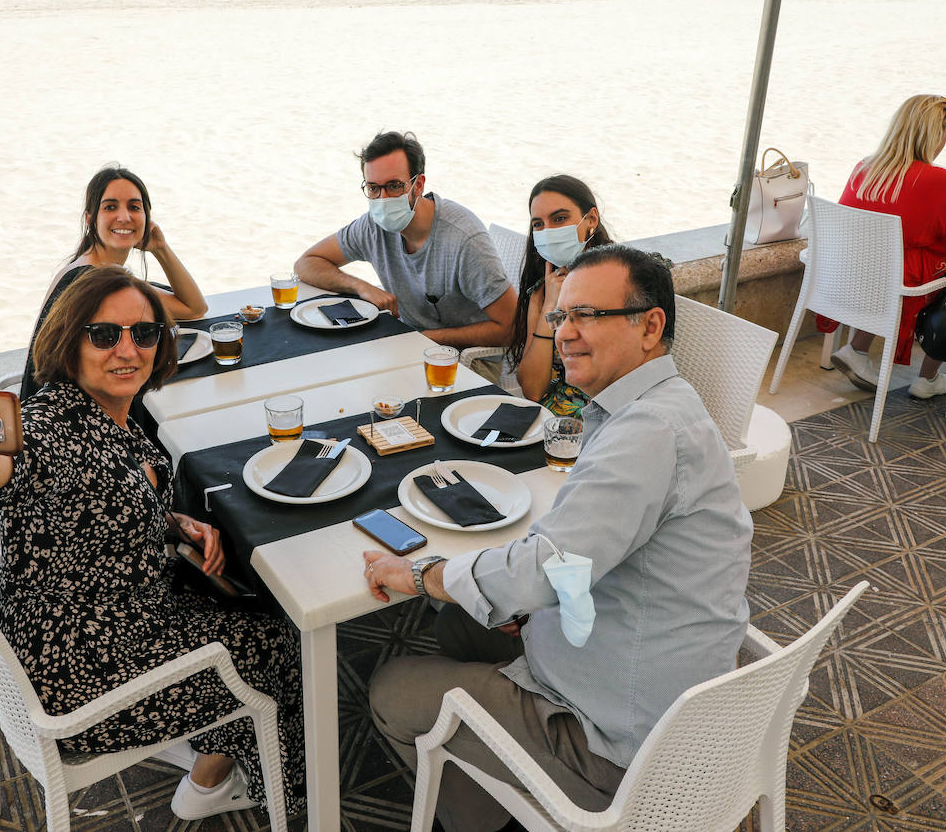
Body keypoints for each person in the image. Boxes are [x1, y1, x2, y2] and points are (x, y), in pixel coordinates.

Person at [0, 266, 302, 822]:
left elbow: (102, 502)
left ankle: (224, 752)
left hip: (83, 630)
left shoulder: (107, 413)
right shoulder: (47, 431)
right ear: (68, 342)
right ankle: (231, 787)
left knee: (244, 604)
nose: (128, 350)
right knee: (277, 640)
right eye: (104, 335)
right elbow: (8, 469)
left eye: (143, 334)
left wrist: (172, 522)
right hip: (83, 678)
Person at [363, 245, 752, 832]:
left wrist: (421, 574)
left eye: (586, 316)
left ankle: (505, 810)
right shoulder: (663, 405)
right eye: (559, 317)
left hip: (623, 745)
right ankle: (494, 792)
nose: (566, 333)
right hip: (655, 674)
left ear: (650, 326)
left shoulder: (648, 432)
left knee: (391, 687)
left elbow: (543, 571)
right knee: (460, 623)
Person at [294, 130, 517, 349]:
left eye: (394, 186)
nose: (383, 199)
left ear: (418, 185)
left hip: (465, 358)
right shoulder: (373, 226)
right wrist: (360, 286)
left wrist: (424, 338)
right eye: (373, 188)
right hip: (407, 343)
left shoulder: (464, 240)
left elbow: (511, 329)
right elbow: (306, 263)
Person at [823, 94, 946, 400]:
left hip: (847, 275)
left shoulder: (864, 168)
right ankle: (928, 378)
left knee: (900, 258)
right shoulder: (938, 180)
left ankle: (857, 349)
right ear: (937, 134)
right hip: (894, 284)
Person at [20, 164, 208, 400]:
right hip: (72, 419)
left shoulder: (99, 270)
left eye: (134, 207)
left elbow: (194, 308)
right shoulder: (90, 279)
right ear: (90, 219)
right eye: (110, 207)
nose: (124, 217)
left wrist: (160, 247)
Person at [503, 175, 614, 415]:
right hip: (550, 420)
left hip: (605, 416)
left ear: (591, 219)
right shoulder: (543, 290)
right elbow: (532, 389)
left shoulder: (621, 283)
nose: (548, 231)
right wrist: (550, 306)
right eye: (538, 224)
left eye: (560, 218)